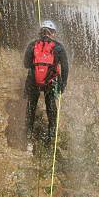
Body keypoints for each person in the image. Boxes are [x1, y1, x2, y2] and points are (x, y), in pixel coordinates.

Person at [24, 19, 69, 149]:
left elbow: (26, 64)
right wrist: (63, 83)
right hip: (51, 81)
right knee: (51, 108)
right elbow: (65, 67)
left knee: (31, 108)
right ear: (53, 33)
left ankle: (28, 140)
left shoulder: (33, 45)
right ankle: (51, 137)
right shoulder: (58, 47)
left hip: (33, 80)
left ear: (40, 31)